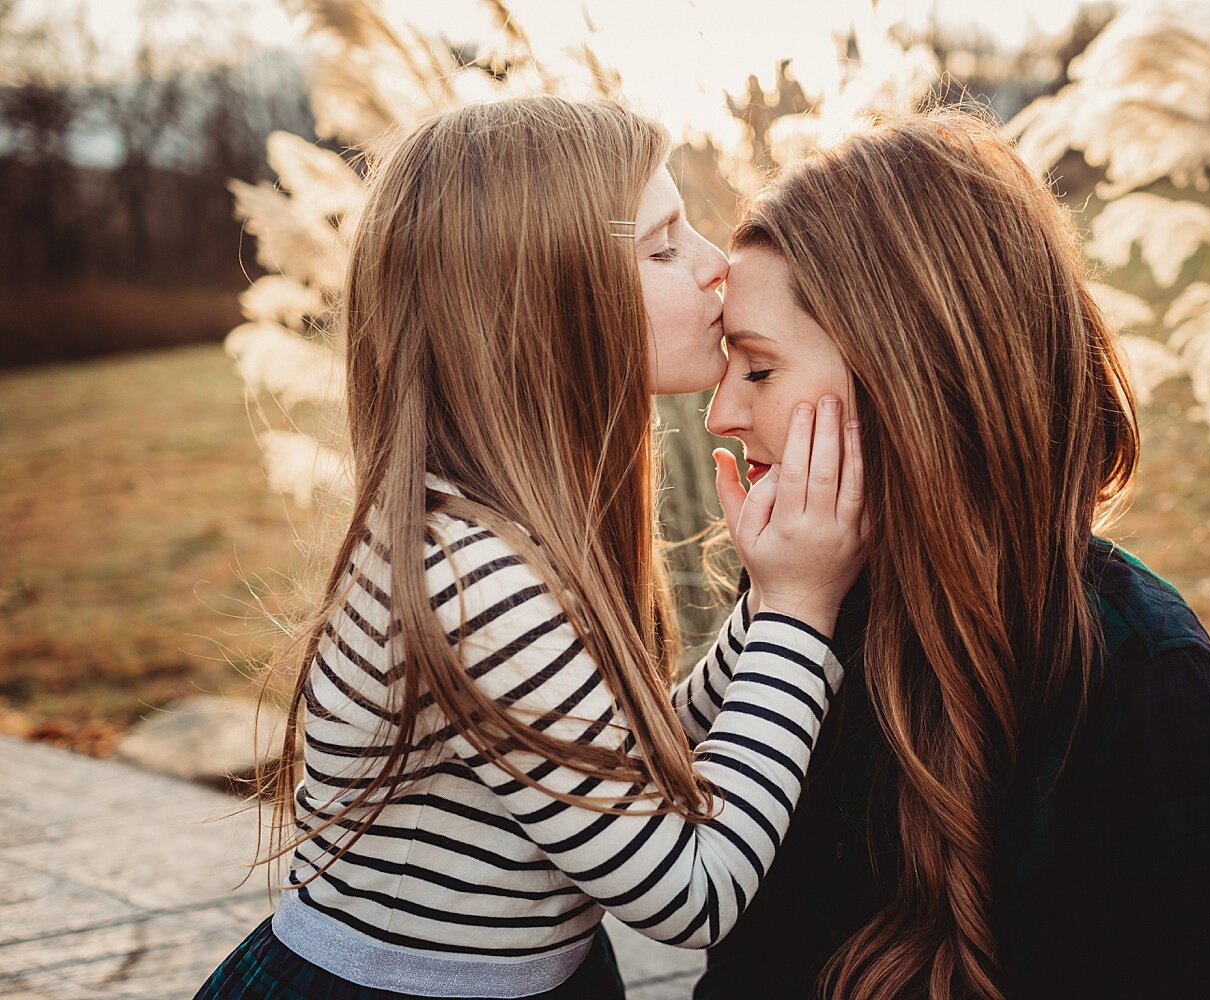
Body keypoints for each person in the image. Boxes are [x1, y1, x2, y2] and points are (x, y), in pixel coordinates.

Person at [196, 95, 865, 999]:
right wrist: (798, 613)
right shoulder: (473, 577)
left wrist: (767, 598)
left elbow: (627, 758)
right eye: (665, 245)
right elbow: (692, 893)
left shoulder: (506, 521)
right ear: (549, 303)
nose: (715, 267)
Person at [678, 108, 1210, 1000]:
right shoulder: (808, 596)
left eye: (759, 370)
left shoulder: (1148, 685)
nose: (720, 414)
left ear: (912, 373)